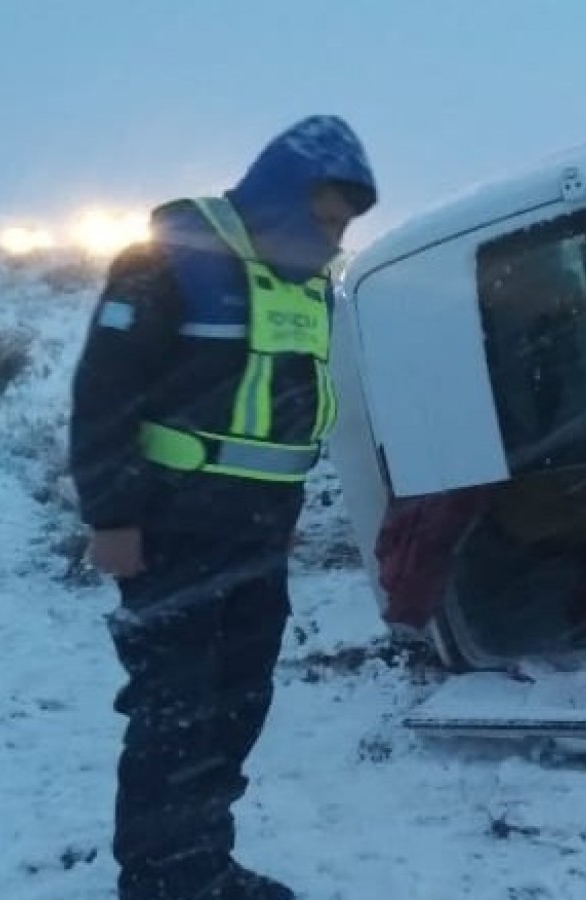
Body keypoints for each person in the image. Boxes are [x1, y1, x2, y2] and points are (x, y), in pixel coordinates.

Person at [68, 115, 376, 900]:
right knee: (176, 717)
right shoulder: (168, 262)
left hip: (257, 539)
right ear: (283, 195)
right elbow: (104, 392)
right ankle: (159, 881)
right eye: (326, 218)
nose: (335, 237)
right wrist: (112, 518)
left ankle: (203, 863)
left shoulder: (310, 287)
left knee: (236, 709)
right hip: (170, 533)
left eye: (344, 226)